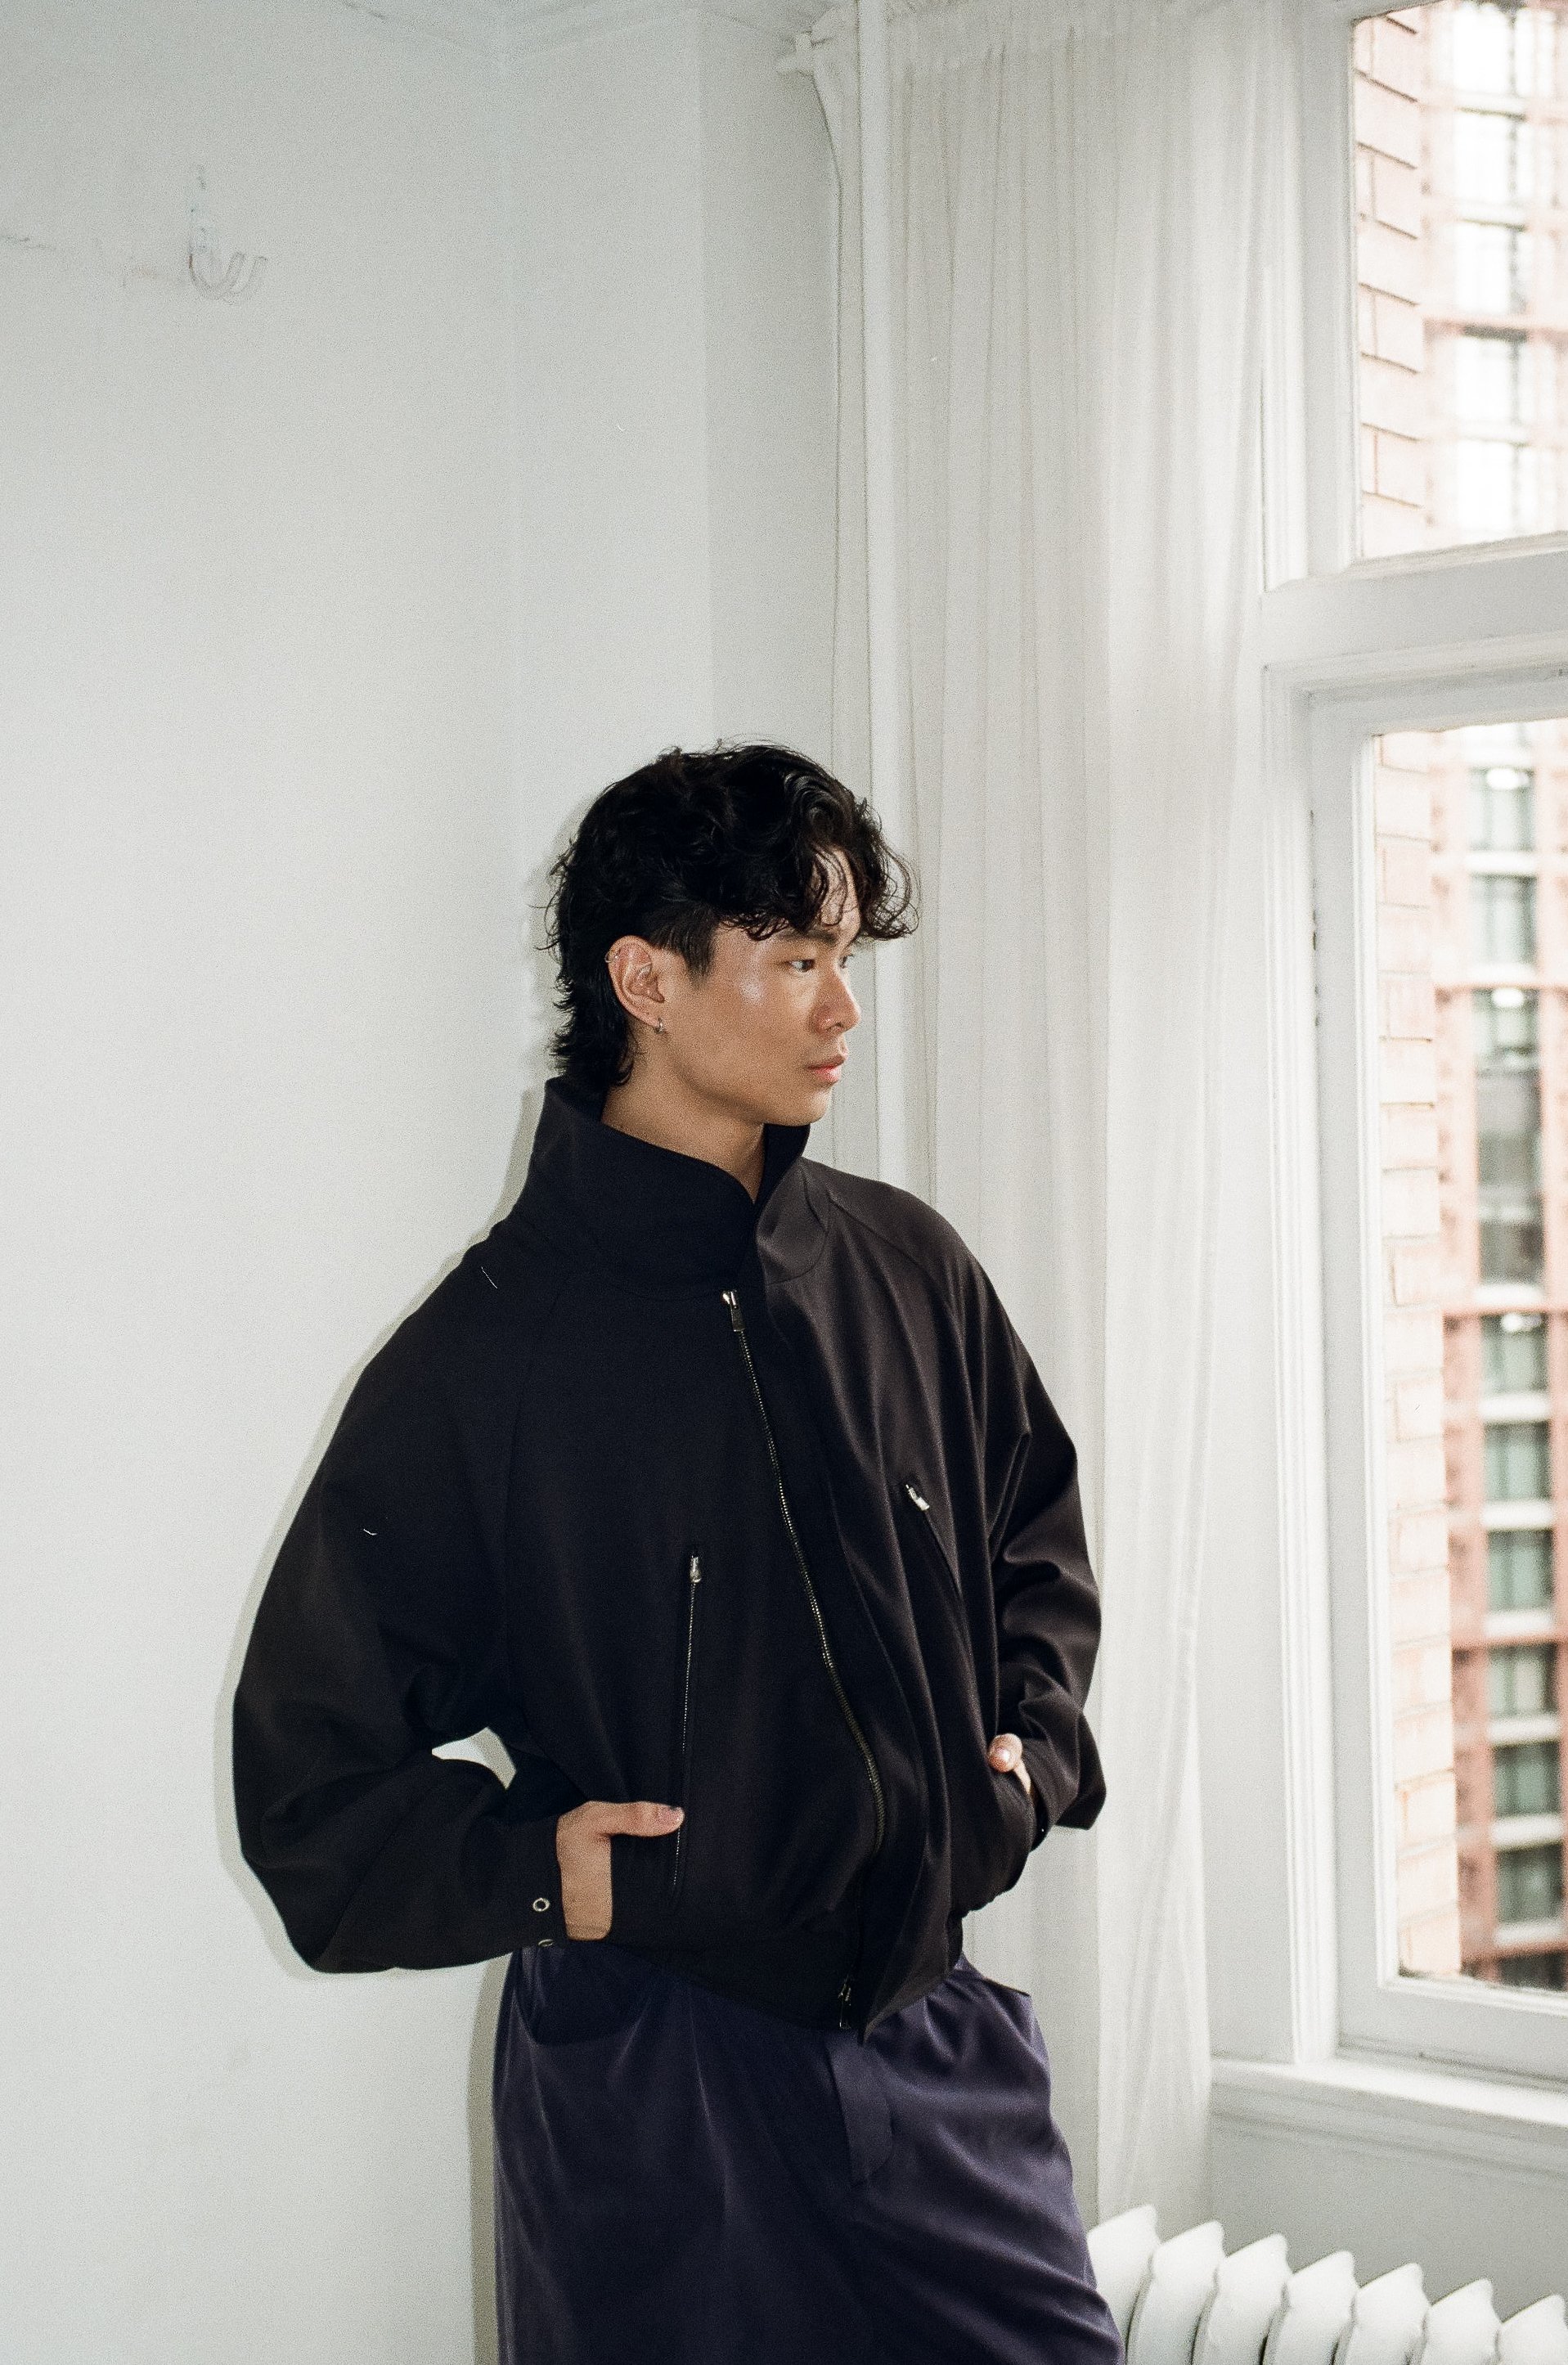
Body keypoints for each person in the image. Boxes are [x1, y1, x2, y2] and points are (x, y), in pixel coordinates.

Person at [231, 740, 1124, 2365]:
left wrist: (1023, 1766)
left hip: (939, 2060)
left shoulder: (905, 1272)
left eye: (841, 961)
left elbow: (1034, 1551)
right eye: (793, 962)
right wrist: (542, 1868)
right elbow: (308, 1784)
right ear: (645, 976)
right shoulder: (481, 1360)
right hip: (658, 2091)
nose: (840, 1011)